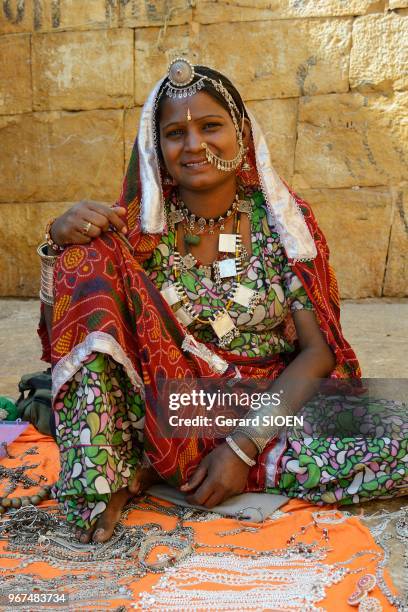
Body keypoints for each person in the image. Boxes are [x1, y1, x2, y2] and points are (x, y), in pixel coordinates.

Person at [37, 59, 407, 544]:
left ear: (241, 132)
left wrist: (242, 448)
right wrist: (58, 247)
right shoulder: (133, 230)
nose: (194, 145)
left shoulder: (282, 222)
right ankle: (114, 476)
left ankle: (173, 469)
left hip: (269, 407)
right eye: (175, 133)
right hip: (164, 411)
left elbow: (319, 352)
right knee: (83, 257)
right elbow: (67, 337)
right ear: (157, 146)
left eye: (210, 126)